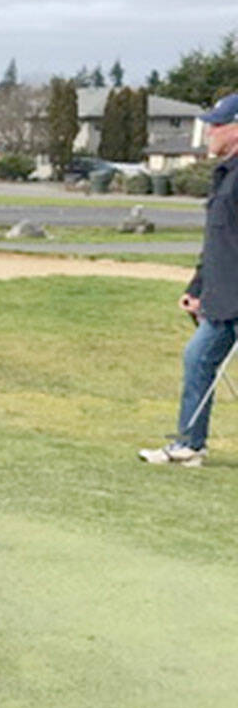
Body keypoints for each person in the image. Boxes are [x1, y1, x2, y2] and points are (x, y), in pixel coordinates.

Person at [139, 92, 238, 466]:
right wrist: (197, 289)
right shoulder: (225, 174)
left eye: (217, 124)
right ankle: (190, 445)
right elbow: (219, 241)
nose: (209, 131)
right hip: (223, 297)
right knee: (197, 358)